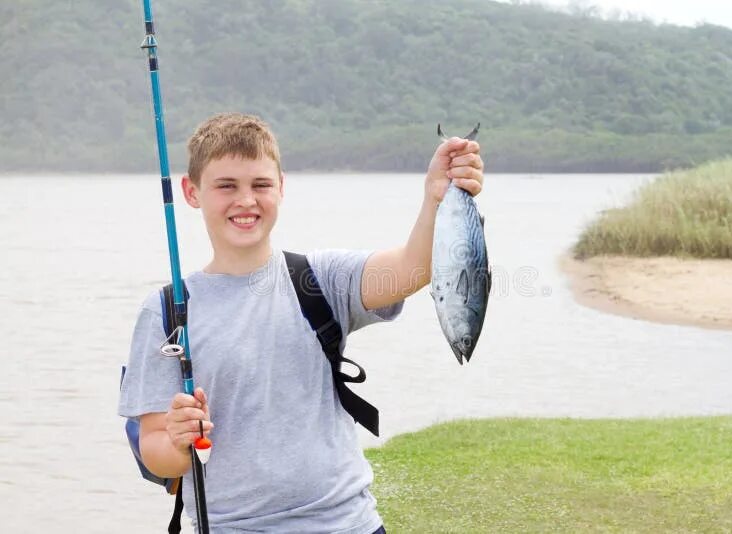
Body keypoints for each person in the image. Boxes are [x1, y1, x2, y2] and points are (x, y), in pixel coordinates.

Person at [118, 112, 484, 533]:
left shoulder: (321, 279)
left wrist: (436, 196)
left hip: (348, 524)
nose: (246, 200)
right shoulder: (164, 311)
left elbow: (412, 269)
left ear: (281, 187)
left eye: (260, 185)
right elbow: (154, 451)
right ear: (191, 191)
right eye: (226, 186)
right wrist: (178, 440)